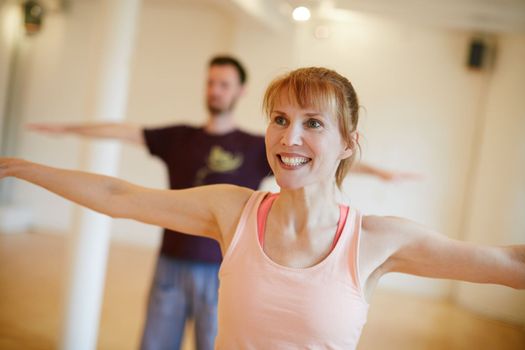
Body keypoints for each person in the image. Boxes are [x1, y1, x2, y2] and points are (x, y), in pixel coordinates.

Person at [7, 67, 518, 349]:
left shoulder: (379, 240)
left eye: (313, 123)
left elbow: (508, 264)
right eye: (279, 118)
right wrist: (22, 168)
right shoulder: (233, 211)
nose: (289, 136)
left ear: (348, 144)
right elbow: (120, 198)